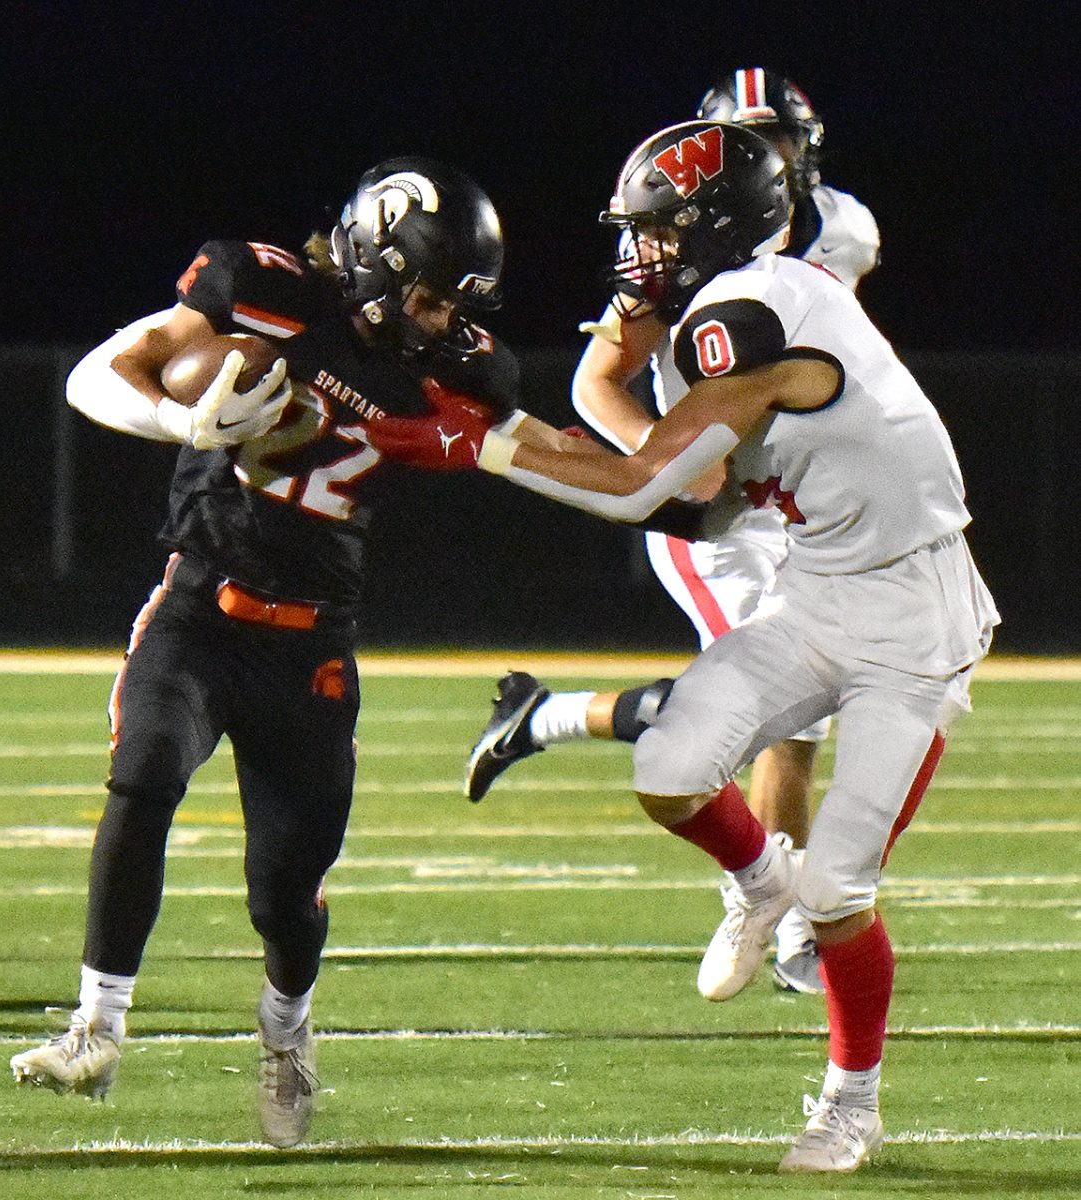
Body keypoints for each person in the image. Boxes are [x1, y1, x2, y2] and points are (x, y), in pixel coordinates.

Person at [372, 120, 997, 1172]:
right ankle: (758, 880)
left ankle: (851, 1104)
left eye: (658, 232)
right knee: (669, 769)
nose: (638, 253)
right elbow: (696, 506)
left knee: (840, 888)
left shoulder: (745, 317)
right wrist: (527, 437)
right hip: (818, 590)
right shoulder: (742, 303)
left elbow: (641, 485)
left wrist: (484, 442)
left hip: (916, 620)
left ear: (714, 229)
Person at [9, 157, 521, 1148]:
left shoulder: (453, 366)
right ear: (374, 254)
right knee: (142, 773)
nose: (433, 319)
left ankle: (286, 1035)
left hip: (313, 643)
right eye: (424, 292)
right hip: (200, 605)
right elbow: (96, 376)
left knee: (284, 897)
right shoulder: (265, 291)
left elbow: (500, 419)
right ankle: (96, 1028)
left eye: (448, 302)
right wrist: (181, 420)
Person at [464, 68, 882, 997]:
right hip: (714, 522)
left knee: (796, 715)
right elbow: (594, 380)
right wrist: (664, 458)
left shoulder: (842, 230)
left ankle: (547, 716)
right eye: (749, 138)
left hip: (794, 498)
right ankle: (787, 919)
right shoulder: (677, 246)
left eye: (778, 137)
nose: (769, 155)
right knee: (789, 703)